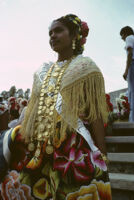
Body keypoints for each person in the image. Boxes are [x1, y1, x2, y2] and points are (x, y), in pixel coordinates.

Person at [0, 14, 112, 199]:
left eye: (58, 30)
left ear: (74, 34)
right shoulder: (42, 71)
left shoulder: (86, 67)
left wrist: (102, 153)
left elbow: (95, 114)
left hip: (70, 145)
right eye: (50, 33)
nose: (52, 36)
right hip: (37, 144)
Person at [120, 26, 134, 122]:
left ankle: (133, 119)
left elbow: (130, 53)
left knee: (132, 91)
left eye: (122, 35)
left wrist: (126, 71)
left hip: (133, 64)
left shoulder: (129, 38)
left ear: (125, 33)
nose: (122, 38)